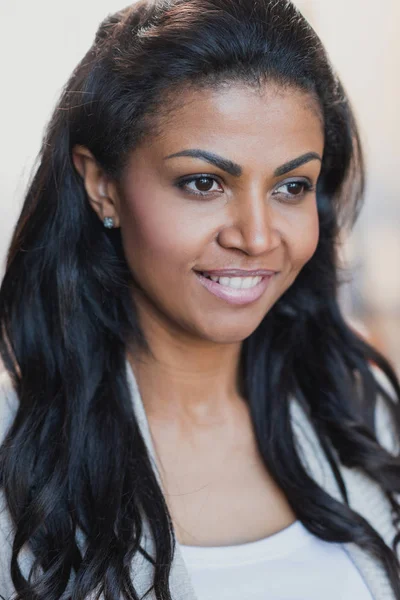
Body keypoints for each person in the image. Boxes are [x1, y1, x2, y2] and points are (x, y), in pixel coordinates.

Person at [0, 0, 399, 598]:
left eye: (292, 187)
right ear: (101, 185)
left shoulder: (361, 415)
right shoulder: (14, 454)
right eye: (204, 183)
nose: (258, 237)